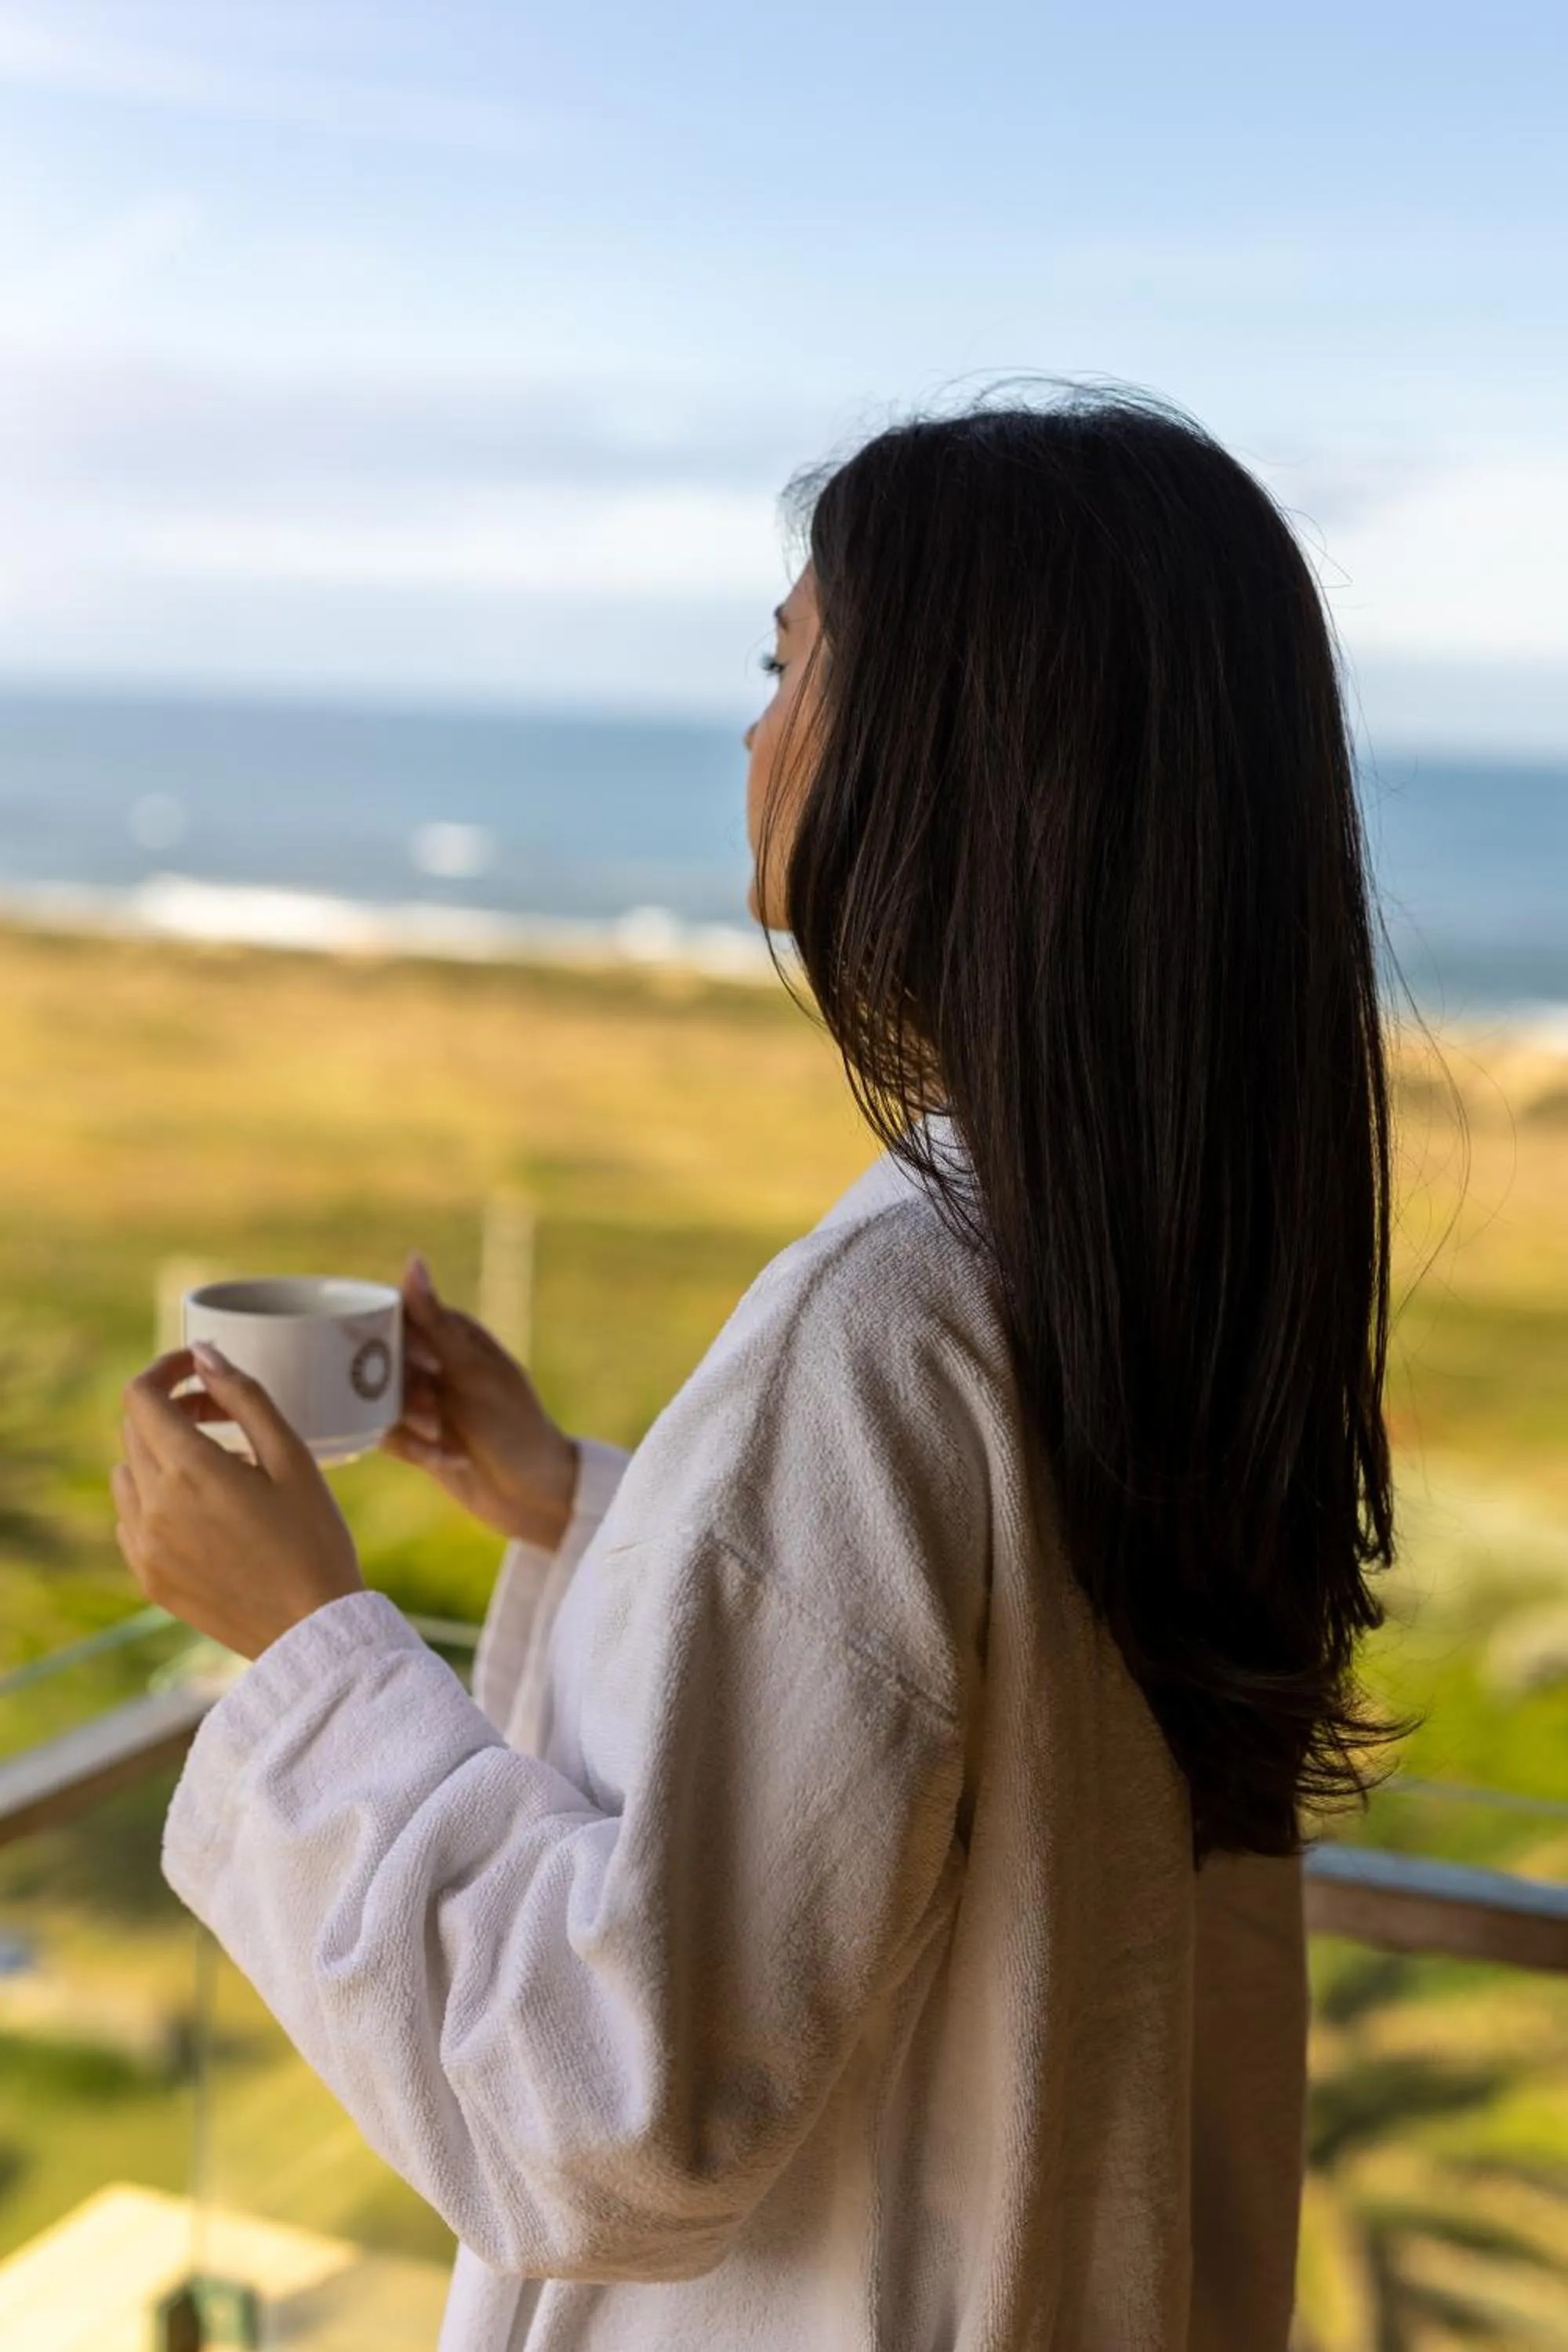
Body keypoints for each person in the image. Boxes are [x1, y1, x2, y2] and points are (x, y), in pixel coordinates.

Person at [112, 389, 1402, 2350]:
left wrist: (306, 1643)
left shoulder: (890, 1320)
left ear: (969, 749)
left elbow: (618, 2114)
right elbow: (964, 1745)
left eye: (790, 660)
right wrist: (583, 1511)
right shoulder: (1158, 1271)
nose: (751, 729)